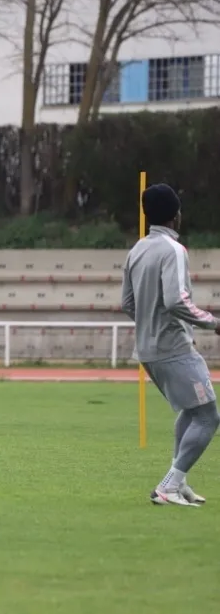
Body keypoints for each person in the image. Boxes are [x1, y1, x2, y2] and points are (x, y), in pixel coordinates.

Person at [121, 183, 220, 507]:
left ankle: (179, 482)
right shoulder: (173, 251)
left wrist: (150, 323)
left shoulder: (137, 249)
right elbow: (177, 300)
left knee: (192, 410)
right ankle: (170, 485)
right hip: (173, 347)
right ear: (177, 214)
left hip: (147, 349)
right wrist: (213, 322)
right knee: (208, 415)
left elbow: (128, 303)